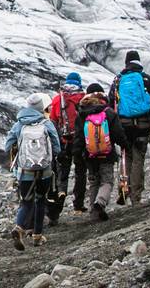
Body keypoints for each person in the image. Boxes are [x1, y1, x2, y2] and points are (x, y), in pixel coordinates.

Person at [5, 93, 60, 250]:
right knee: (41, 200)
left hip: (25, 172)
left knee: (26, 201)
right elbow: (57, 148)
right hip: (45, 171)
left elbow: (7, 146)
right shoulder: (47, 124)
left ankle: (19, 228)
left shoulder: (19, 125)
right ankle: (37, 236)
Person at [108, 50, 150, 206]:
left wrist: (113, 131)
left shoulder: (118, 80)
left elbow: (111, 104)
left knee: (126, 156)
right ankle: (136, 197)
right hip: (143, 125)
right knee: (138, 158)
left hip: (123, 125)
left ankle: (124, 188)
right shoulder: (147, 79)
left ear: (126, 63)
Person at [77, 83, 128, 221]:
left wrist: (78, 154)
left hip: (89, 154)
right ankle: (100, 202)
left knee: (94, 182)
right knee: (107, 181)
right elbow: (118, 133)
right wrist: (124, 145)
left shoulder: (82, 113)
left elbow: (79, 137)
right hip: (107, 154)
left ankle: (94, 214)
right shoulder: (109, 112)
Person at [45, 72, 87, 225]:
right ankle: (78, 204)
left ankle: (55, 210)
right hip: (81, 142)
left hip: (63, 142)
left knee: (62, 174)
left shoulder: (57, 99)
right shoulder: (84, 98)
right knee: (80, 172)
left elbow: (53, 123)